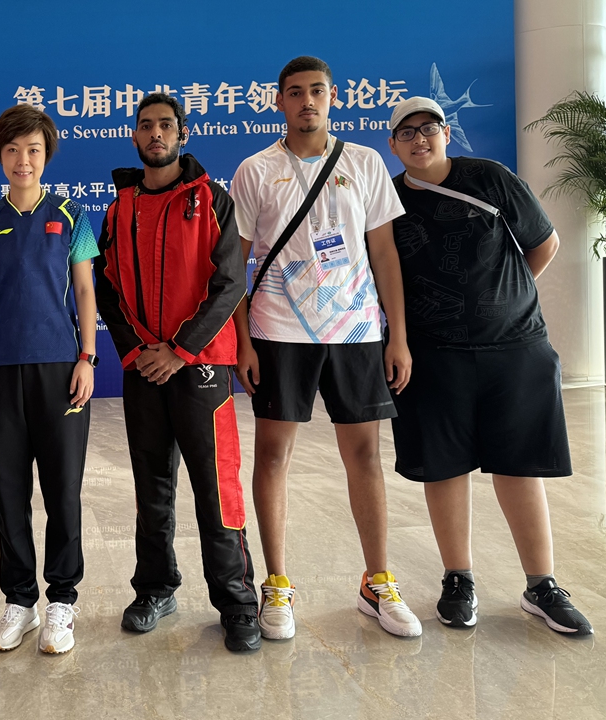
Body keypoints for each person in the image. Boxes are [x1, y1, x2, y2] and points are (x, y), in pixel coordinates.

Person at [230, 56, 422, 640]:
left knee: (363, 457)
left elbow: (385, 254)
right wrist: (243, 341)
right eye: (295, 93)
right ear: (279, 102)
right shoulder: (255, 170)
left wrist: (398, 335)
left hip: (357, 332)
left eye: (316, 91)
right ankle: (278, 584)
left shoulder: (363, 163)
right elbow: (233, 266)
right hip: (278, 331)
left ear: (333, 97)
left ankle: (377, 581)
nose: (306, 101)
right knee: (272, 457)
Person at [385, 96, 592, 635]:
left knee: (519, 465)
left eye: (428, 128)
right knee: (445, 466)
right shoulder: (387, 197)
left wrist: (507, 299)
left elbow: (543, 244)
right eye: (406, 133)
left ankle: (541, 585)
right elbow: (385, 278)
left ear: (446, 133)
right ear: (393, 144)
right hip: (433, 354)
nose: (419, 140)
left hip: (515, 347)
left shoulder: (491, 179)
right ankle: (459, 579)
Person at [95, 93, 261, 652]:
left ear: (182, 133)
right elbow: (107, 288)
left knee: (218, 492)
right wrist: (140, 350)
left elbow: (230, 282)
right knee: (152, 489)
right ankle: (155, 588)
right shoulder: (119, 208)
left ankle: (237, 602)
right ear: (134, 137)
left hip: (203, 369)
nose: (156, 134)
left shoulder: (213, 199)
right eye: (146, 126)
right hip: (143, 368)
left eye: (166, 125)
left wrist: (180, 350)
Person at [0, 104, 98, 654]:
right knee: (10, 490)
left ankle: (61, 601)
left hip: (63, 371)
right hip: (0, 372)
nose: (24, 160)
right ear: (0, 155)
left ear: (46, 156)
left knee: (63, 489)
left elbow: (86, 291)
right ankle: (19, 600)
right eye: (13, 150)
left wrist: (87, 357)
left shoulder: (71, 215)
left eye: (34, 150)